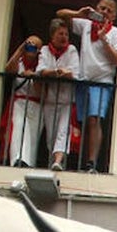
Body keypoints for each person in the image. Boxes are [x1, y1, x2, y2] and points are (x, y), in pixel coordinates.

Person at [59, 0, 117, 172]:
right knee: (83, 121)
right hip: (83, 80)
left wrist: (104, 39)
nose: (104, 12)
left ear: (114, 16)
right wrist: (78, 14)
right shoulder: (86, 25)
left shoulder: (116, 33)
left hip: (101, 82)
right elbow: (60, 15)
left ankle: (91, 162)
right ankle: (76, 159)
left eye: (109, 10)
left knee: (95, 119)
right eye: (102, 8)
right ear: (96, 9)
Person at [38, 19, 79, 172]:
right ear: (52, 36)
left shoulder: (72, 50)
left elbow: (76, 73)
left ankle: (58, 161)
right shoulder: (44, 50)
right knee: (51, 134)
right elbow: (41, 70)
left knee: (63, 131)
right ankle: (52, 161)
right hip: (49, 99)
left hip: (66, 100)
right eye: (60, 33)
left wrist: (63, 73)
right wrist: (55, 73)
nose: (64, 37)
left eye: (66, 34)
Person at [3, 35, 43, 168]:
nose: (31, 49)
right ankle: (17, 160)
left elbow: (41, 92)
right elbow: (8, 70)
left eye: (34, 47)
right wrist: (20, 49)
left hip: (37, 104)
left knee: (32, 136)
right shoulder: (19, 62)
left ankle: (29, 163)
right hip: (20, 102)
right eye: (29, 46)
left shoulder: (42, 65)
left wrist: (33, 77)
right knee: (19, 129)